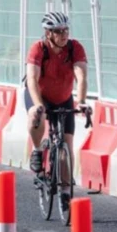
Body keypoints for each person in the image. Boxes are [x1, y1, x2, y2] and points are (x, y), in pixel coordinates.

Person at [25, 11, 89, 204]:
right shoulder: (38, 49)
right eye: (59, 31)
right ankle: (37, 149)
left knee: (66, 147)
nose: (64, 34)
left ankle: (65, 191)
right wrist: (38, 105)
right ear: (48, 34)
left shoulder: (74, 48)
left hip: (63, 98)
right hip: (39, 94)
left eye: (66, 30)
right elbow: (32, 79)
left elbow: (82, 76)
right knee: (36, 115)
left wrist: (83, 101)